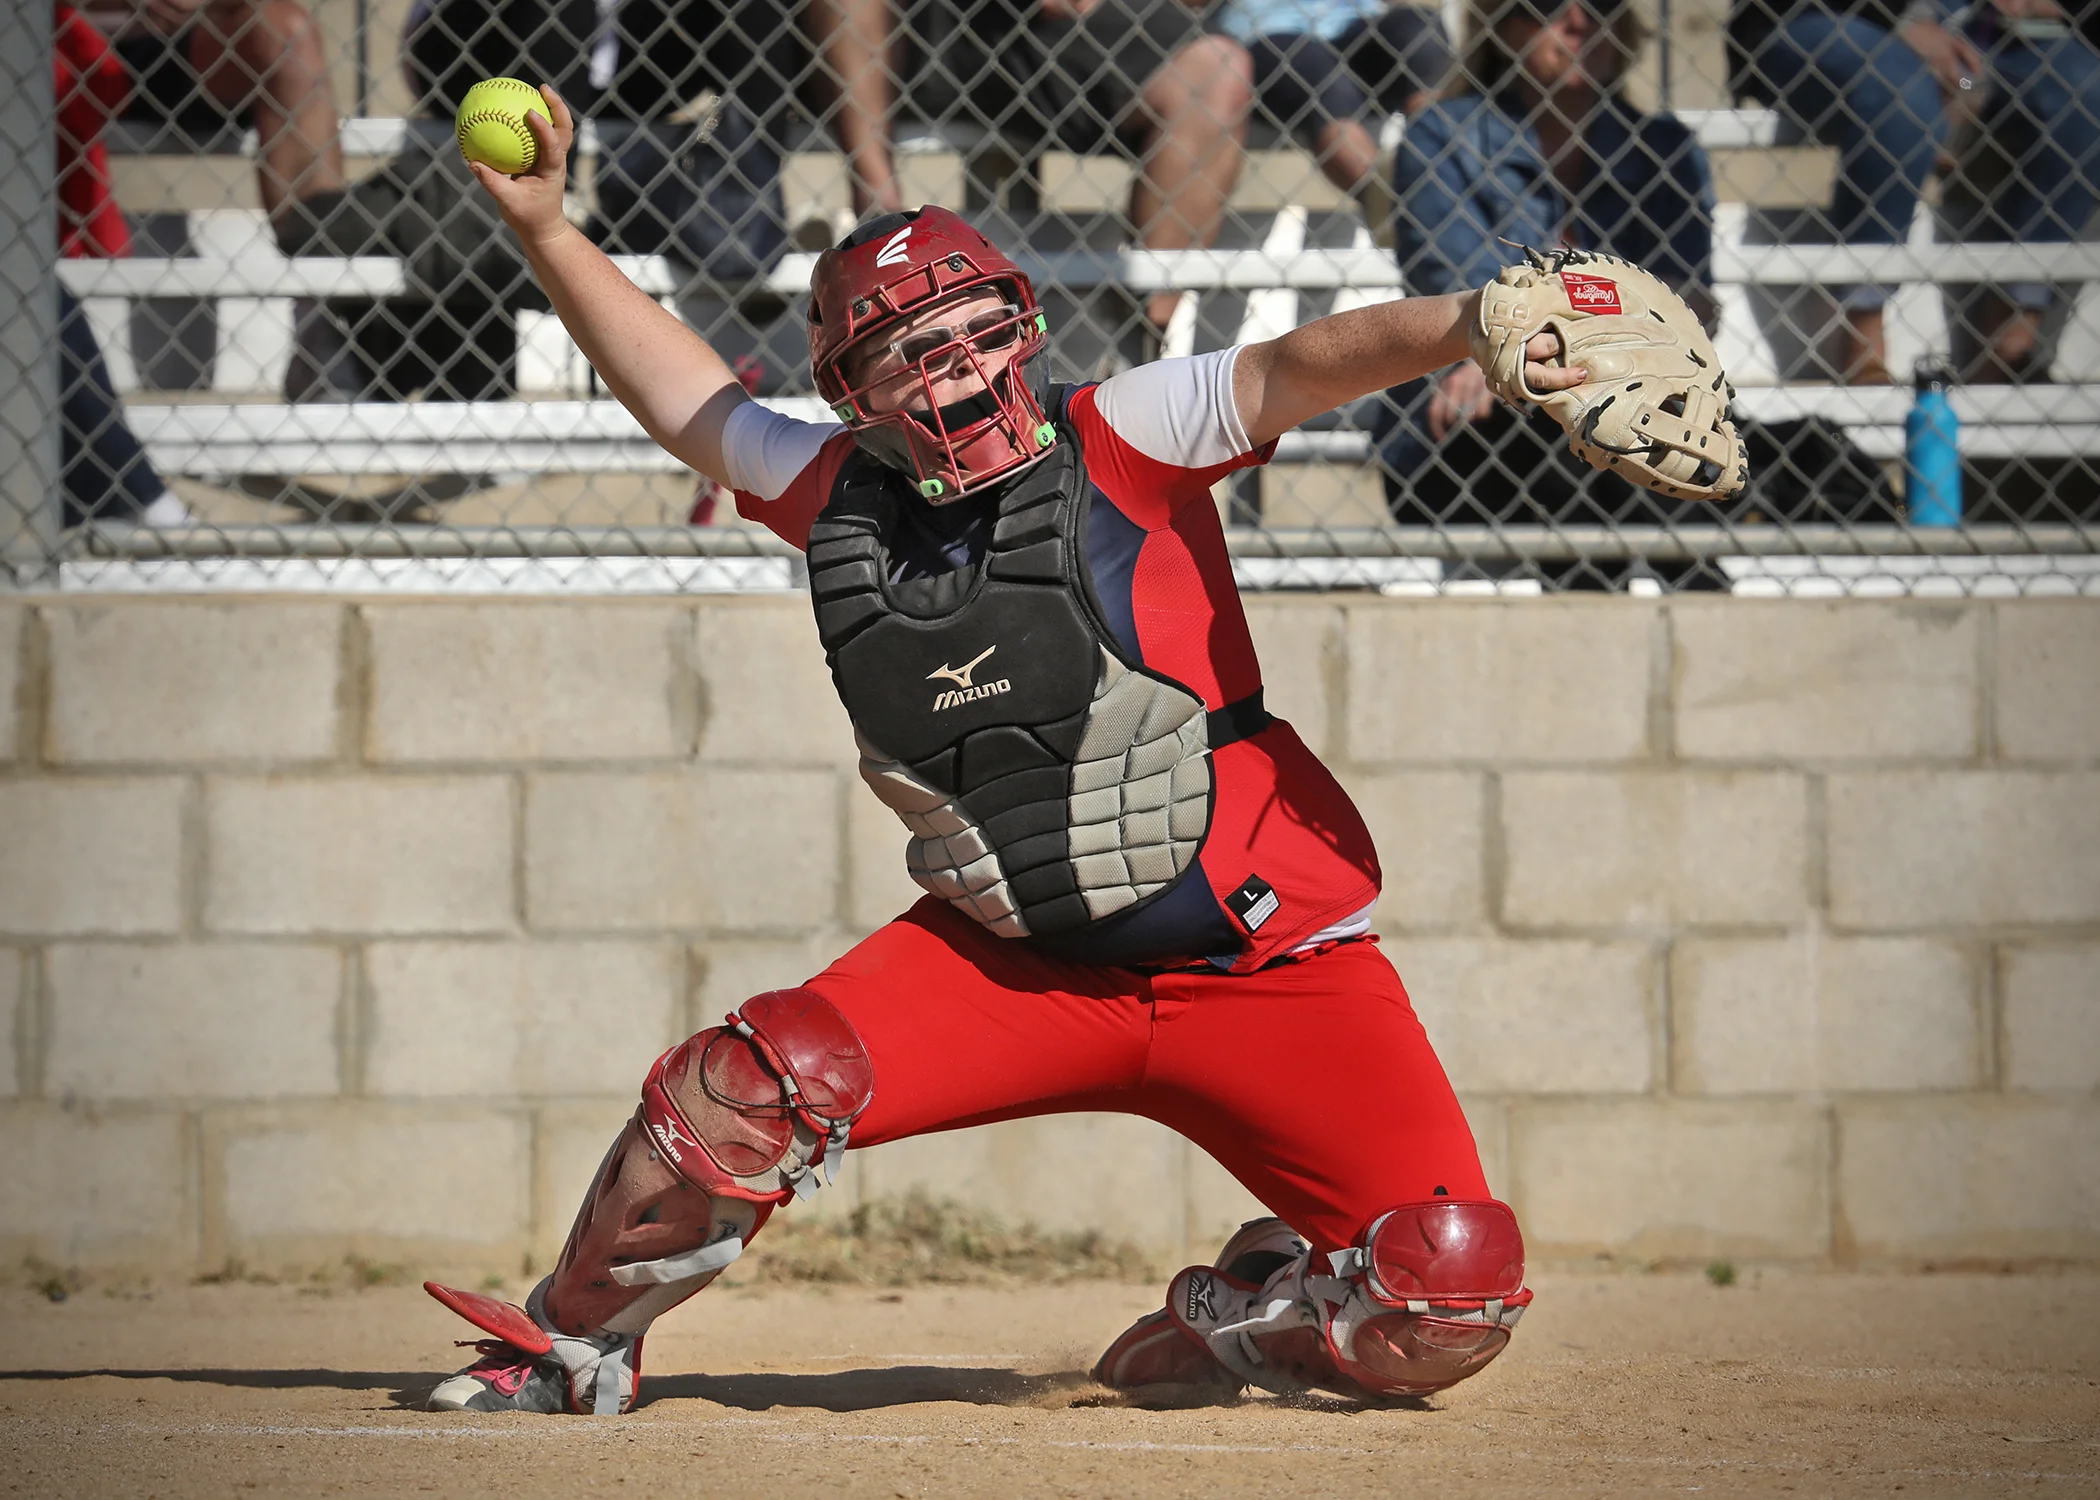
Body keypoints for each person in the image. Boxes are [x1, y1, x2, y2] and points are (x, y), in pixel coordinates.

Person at [415, 84, 1589, 1415]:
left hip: (1270, 970)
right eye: (910, 353)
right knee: (749, 1084)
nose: (957, 370)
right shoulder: (838, 504)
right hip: (1016, 971)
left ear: (1023, 333)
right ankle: (568, 1343)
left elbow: (1295, 366)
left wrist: (1476, 324)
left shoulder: (1122, 440)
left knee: (1448, 1287)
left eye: (976, 335)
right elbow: (689, 403)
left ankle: (1260, 1313)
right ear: (847, 387)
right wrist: (549, 230)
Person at [1377, 0, 1714, 528]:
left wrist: (1561, 324)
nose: (1579, 22)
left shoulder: (1664, 149)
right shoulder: (1442, 138)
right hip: (1485, 418)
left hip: (1631, 408)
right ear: (1504, 27)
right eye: (1549, 6)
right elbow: (1478, 310)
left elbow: (1689, 306)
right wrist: (1614, 318)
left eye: (1600, 4)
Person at [1730, 0, 2100, 382]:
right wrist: (1901, 21)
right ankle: (1862, 328)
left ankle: (2014, 329)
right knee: (1901, 90)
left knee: (2083, 91)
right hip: (1837, 16)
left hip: (1988, 39)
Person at [1220, 0, 1454, 198]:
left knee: (1421, 31)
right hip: (1267, 31)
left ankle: (1447, 179)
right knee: (1325, 82)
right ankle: (1391, 205)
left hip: (1354, 26)